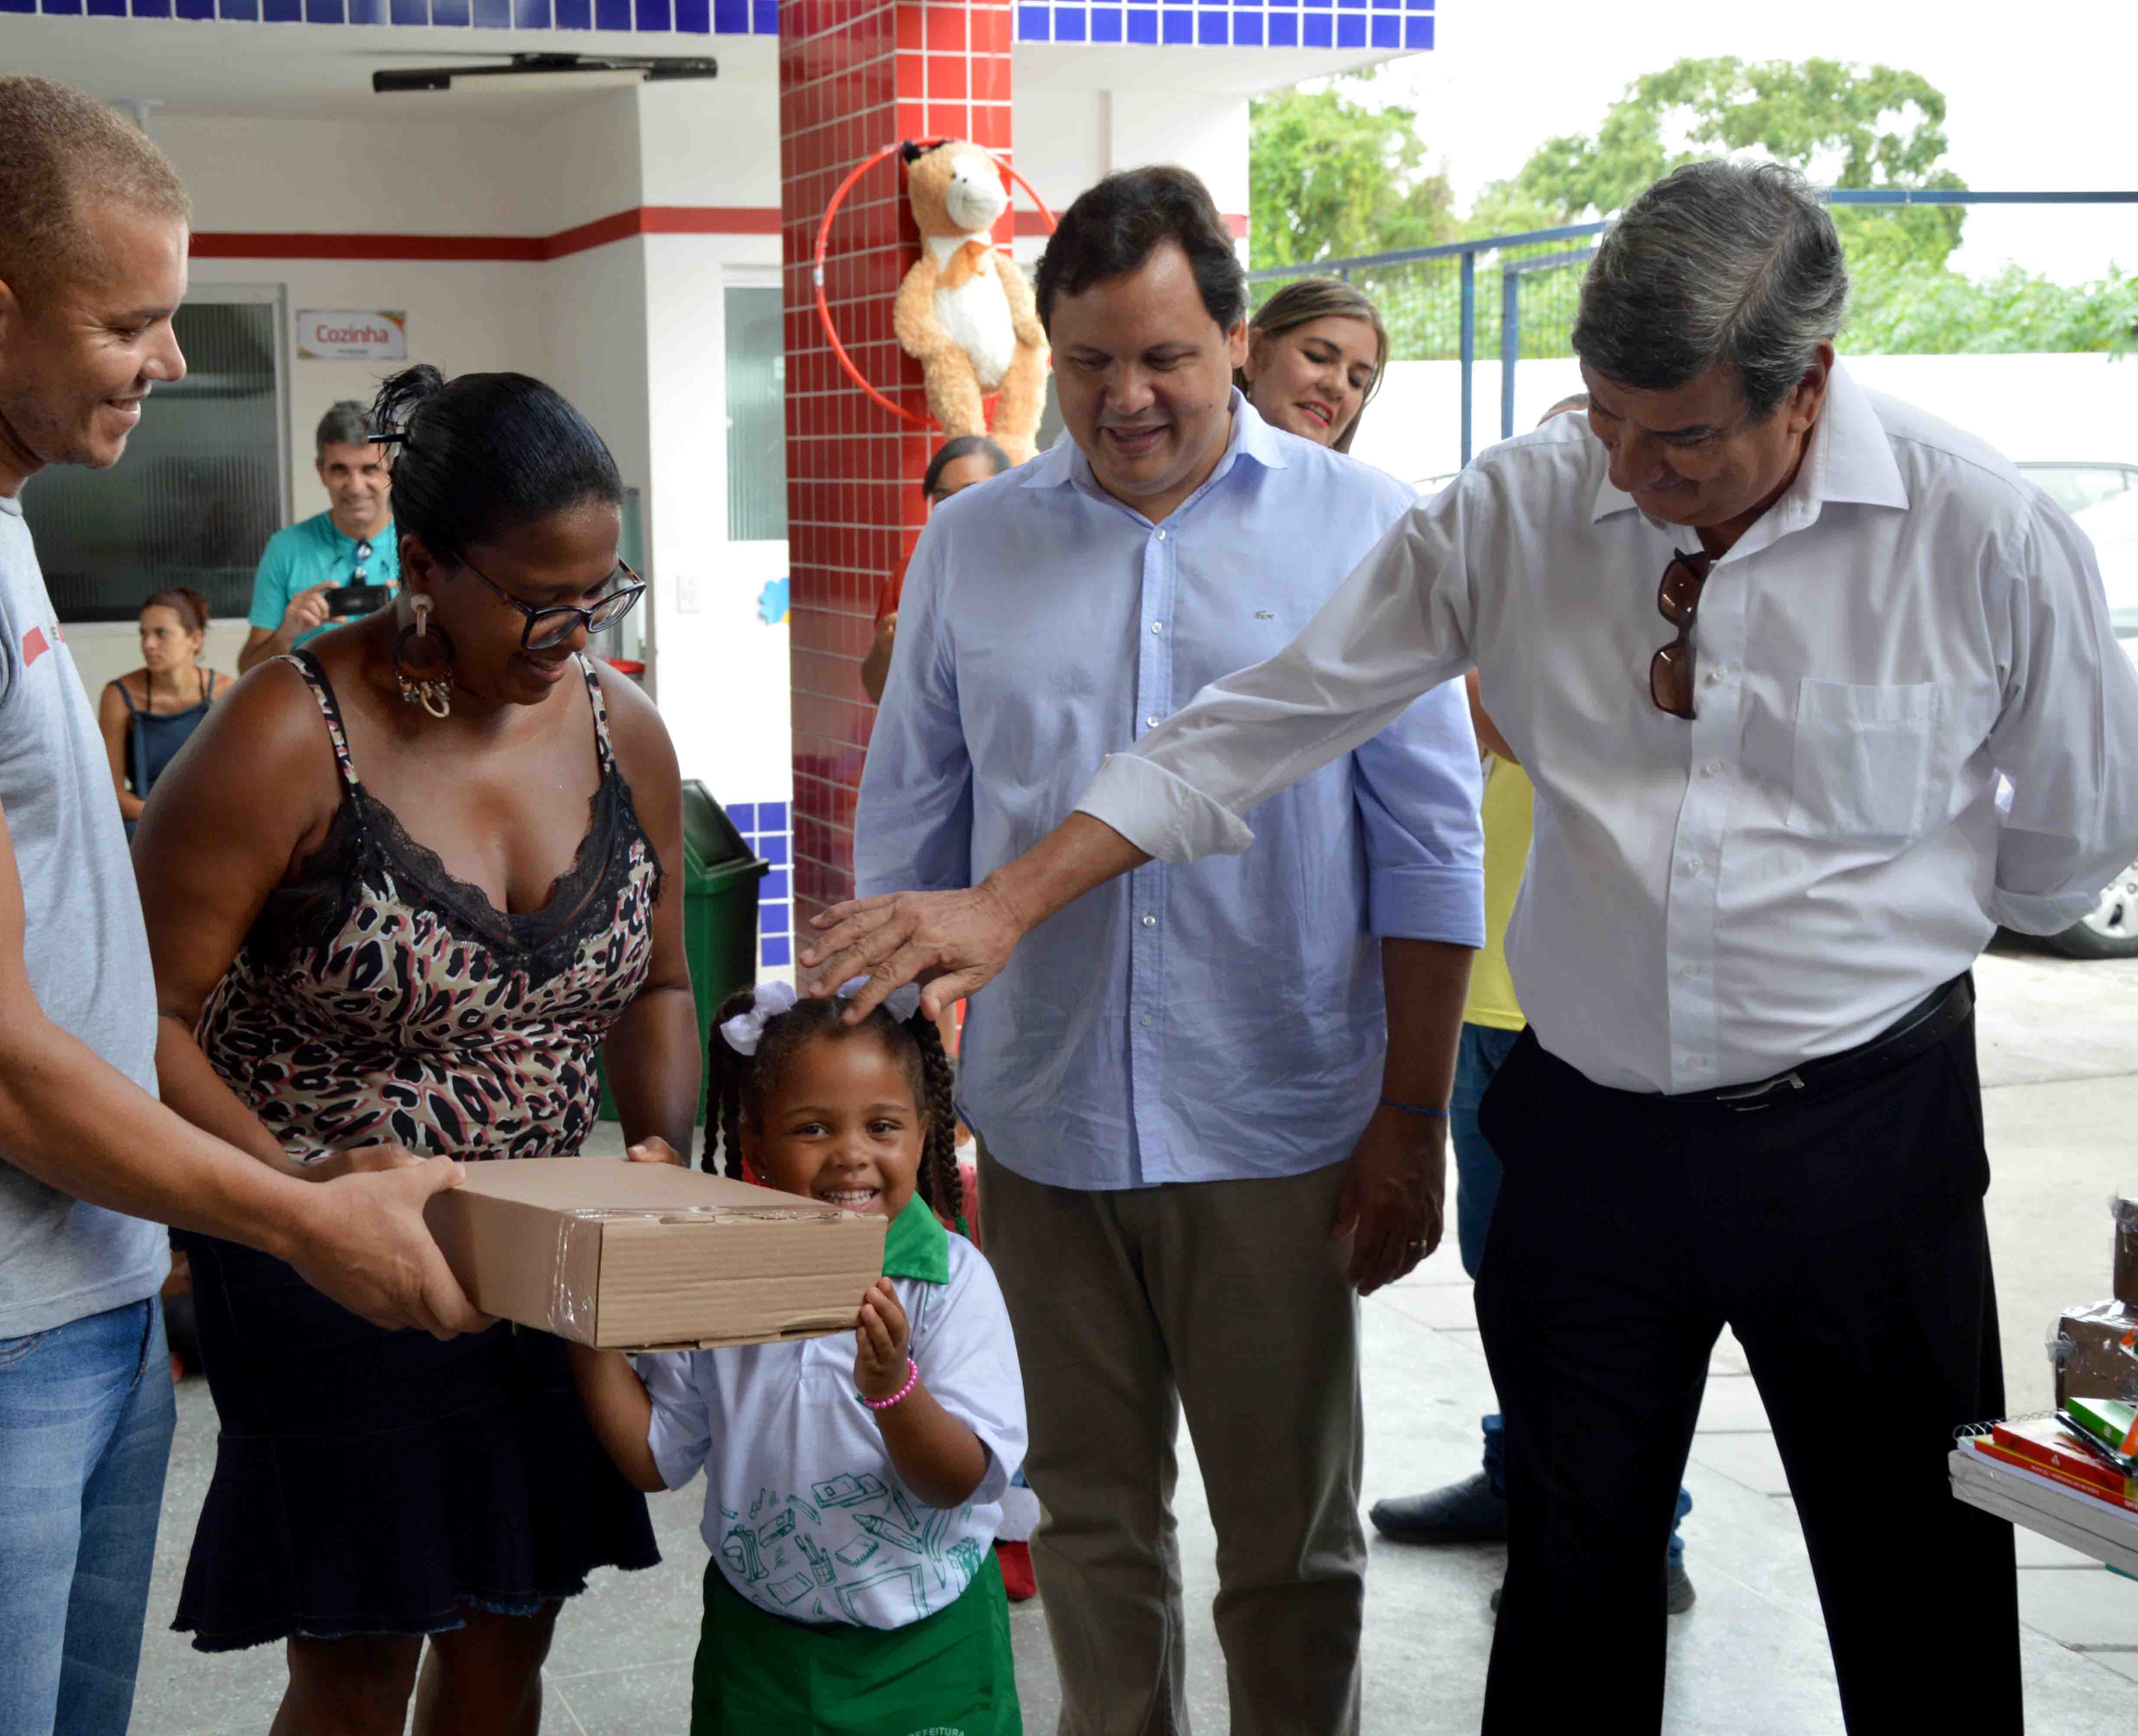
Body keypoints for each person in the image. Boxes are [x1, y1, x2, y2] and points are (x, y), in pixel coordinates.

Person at [805, 159, 2138, 1734]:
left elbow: (2068, 846)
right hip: (1590, 1144)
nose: (1632, 473)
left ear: (1808, 386)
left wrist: (1837, 921)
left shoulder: (1978, 534)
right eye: (1608, 419)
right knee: (1569, 1574)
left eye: (1684, 439)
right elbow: (1263, 720)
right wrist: (1011, 898)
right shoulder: (1524, 503)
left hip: (1861, 1135)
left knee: (1912, 1571)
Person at [0, 76, 479, 1736]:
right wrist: (295, 1222)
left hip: (67, 1288)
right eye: (134, 320)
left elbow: (56, 944)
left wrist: (284, 1165)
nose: (175, 361)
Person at [848, 165, 1484, 1736]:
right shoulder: (972, 546)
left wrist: (1410, 1117)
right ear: (1041, 353)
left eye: (1164, 358)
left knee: (1287, 1552)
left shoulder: (1371, 531)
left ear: (1234, 337)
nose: (1124, 398)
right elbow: (907, 849)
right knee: (1087, 1529)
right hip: (1047, 1131)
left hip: (1278, 1131)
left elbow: (1427, 846)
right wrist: (895, 1123)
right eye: (1085, 364)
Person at [135, 365, 692, 1734]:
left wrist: (666, 1153)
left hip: (544, 1261)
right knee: (360, 1659)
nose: (577, 630)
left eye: (602, 593)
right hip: (326, 1262)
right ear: (426, 563)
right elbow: (129, 1017)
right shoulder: (283, 734)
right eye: (544, 598)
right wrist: (292, 1200)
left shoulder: (627, 735)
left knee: (512, 1636)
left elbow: (662, 982)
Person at [1364, 395, 1699, 1615]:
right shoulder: (1513, 599)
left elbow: (1504, 715)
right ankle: (1530, 1480)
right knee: (1505, 1269)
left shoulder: (1680, 613)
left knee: (1613, 1300)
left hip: (1596, 1013)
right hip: (1491, 992)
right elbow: (1461, 727)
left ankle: (1630, 1530)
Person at [570, 979, 1025, 1736]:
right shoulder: (719, 1284)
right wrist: (584, 1315)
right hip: (760, 1653)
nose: (851, 1155)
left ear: (924, 1136)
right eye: (812, 1130)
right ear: (754, 1148)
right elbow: (655, 1458)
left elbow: (961, 1482)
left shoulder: (950, 1283)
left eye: (882, 1127)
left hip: (930, 1650)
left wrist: (893, 1391)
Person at [236, 400, 400, 675]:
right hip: (313, 710)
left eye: (369, 469)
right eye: (340, 470)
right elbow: (248, 671)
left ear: (392, 469)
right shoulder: (286, 549)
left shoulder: (423, 546)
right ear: (321, 471)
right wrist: (286, 635)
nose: (356, 487)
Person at [861, 435, 1012, 704]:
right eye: (943, 499)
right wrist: (885, 648)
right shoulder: (911, 573)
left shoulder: (1031, 569)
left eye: (970, 494)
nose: (953, 510)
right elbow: (878, 692)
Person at [99, 585, 225, 842]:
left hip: (214, 818)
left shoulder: (225, 691)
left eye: (161, 633)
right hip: (146, 820)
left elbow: (242, 779)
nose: (148, 644)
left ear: (195, 640)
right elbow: (112, 793)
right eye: (143, 634)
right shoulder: (119, 695)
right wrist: (170, 821)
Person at [1237, 277, 1388, 454]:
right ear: (1254, 353)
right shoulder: (1199, 469)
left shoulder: (1362, 481)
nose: (1338, 387)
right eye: (1318, 357)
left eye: (1356, 381)